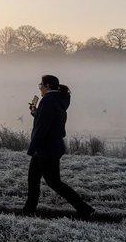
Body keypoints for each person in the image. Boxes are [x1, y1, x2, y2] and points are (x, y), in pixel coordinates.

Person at [22, 74, 95, 218]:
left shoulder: (48, 101)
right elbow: (49, 120)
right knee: (33, 179)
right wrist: (35, 112)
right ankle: (28, 211)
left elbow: (43, 127)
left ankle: (85, 209)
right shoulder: (58, 99)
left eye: (41, 86)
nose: (40, 89)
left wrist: (33, 147)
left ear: (48, 86)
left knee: (54, 183)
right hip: (49, 146)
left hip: (46, 148)